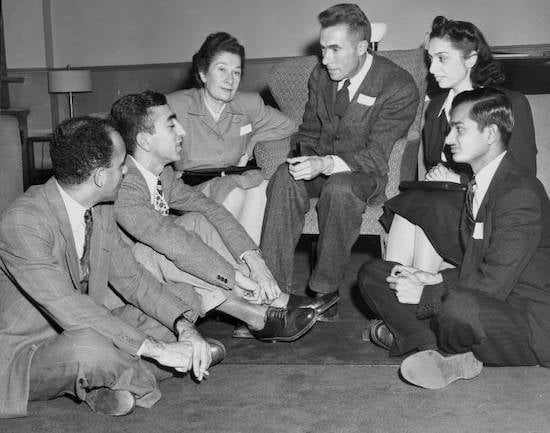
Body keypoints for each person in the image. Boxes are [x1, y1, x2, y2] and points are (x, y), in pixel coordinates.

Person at [0, 116, 225, 419]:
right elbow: (70, 310)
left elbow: (132, 280)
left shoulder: (101, 207)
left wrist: (184, 328)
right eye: (121, 164)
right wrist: (158, 350)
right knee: (88, 349)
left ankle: (105, 383)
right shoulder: (23, 222)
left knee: (183, 300)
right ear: (99, 177)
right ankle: (136, 376)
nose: (128, 169)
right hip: (28, 351)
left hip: (89, 323)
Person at [359, 88, 550, 389]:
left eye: (459, 130)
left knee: (459, 307)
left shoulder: (519, 193)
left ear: (490, 133)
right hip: (487, 296)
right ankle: (437, 349)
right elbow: (478, 265)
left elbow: (494, 283)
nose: (448, 140)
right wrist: (433, 279)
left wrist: (426, 293)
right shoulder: (480, 184)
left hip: (524, 318)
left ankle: (427, 341)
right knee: (374, 273)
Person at [112, 91, 336, 342]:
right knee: (156, 248)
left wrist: (256, 264)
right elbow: (169, 240)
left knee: (198, 220)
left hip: (154, 268)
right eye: (171, 125)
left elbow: (211, 209)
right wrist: (234, 278)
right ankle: (257, 316)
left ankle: (273, 298)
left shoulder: (161, 174)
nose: (182, 132)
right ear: (145, 141)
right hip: (121, 283)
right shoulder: (125, 184)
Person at [260, 3, 419, 320]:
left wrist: (328, 164)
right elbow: (308, 129)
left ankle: (324, 291)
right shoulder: (320, 76)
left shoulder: (397, 85)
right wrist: (302, 159)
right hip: (320, 166)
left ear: (362, 47)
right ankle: (270, 294)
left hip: (363, 175)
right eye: (322, 49)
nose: (325, 60)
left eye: (335, 49)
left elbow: (376, 155)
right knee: (283, 177)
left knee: (340, 190)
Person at [382, 16, 536, 272]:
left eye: (442, 58)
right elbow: (432, 161)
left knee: (426, 213)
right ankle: (394, 300)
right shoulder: (436, 107)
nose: (431, 70)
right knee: (407, 210)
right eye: (431, 59)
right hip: (440, 203)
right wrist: (435, 175)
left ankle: (419, 299)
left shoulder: (509, 103)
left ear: (471, 59)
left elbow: (523, 175)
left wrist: (461, 182)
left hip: (486, 209)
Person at [166, 32, 297, 243]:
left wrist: (251, 142)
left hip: (234, 177)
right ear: (203, 73)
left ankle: (250, 268)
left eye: (236, 72)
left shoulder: (248, 104)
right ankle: (235, 268)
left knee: (260, 188)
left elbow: (287, 126)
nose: (230, 80)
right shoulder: (175, 105)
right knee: (236, 193)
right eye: (222, 70)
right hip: (192, 186)